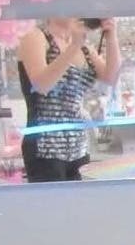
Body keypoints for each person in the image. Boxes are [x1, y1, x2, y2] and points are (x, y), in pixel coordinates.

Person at [16, 17, 121, 182]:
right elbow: (41, 85)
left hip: (78, 146)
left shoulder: (84, 47)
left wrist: (111, 36)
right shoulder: (36, 36)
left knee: (79, 205)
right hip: (45, 147)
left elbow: (111, 78)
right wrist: (73, 47)